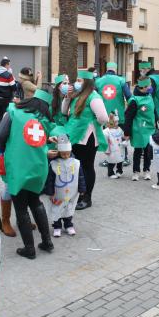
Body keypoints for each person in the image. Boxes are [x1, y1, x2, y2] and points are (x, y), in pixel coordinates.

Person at [0, 88, 57, 258]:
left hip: (19, 167)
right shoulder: (43, 119)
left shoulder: (14, 111)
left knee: (21, 207)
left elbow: (0, 136)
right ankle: (47, 241)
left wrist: (6, 150)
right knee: (35, 201)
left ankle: (29, 249)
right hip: (38, 166)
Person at [62, 69, 109, 210]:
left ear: (86, 83)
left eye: (79, 81)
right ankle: (78, 194)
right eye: (76, 80)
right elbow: (64, 112)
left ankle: (87, 197)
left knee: (87, 167)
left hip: (87, 138)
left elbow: (104, 118)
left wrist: (93, 124)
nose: (76, 83)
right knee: (76, 167)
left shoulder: (94, 97)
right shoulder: (76, 95)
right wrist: (67, 97)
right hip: (75, 136)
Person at [44, 134, 86, 237]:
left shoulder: (76, 163)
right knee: (57, 209)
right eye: (63, 154)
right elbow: (50, 179)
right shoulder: (54, 164)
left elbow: (80, 176)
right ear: (59, 153)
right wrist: (50, 192)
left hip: (71, 192)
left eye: (68, 154)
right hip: (58, 193)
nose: (66, 156)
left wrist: (82, 188)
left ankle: (68, 225)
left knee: (69, 209)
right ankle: (57, 226)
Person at [124, 76, 159, 180]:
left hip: (149, 129)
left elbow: (154, 112)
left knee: (148, 151)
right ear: (143, 87)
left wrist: (158, 124)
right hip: (138, 129)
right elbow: (128, 117)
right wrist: (127, 132)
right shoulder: (134, 100)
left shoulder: (150, 96)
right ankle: (136, 172)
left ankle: (146, 170)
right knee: (138, 151)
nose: (151, 87)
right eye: (149, 85)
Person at [0, 57, 17, 129]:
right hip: (6, 99)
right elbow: (14, 87)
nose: (9, 66)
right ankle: (3, 132)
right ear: (6, 65)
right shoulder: (8, 75)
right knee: (7, 117)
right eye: (9, 65)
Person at [103, 113, 126, 178]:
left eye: (117, 122)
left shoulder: (119, 129)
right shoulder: (106, 131)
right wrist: (106, 149)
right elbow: (105, 141)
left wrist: (125, 141)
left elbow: (123, 136)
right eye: (116, 122)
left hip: (120, 148)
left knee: (120, 160)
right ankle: (110, 173)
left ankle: (119, 171)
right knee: (111, 161)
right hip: (112, 149)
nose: (117, 123)